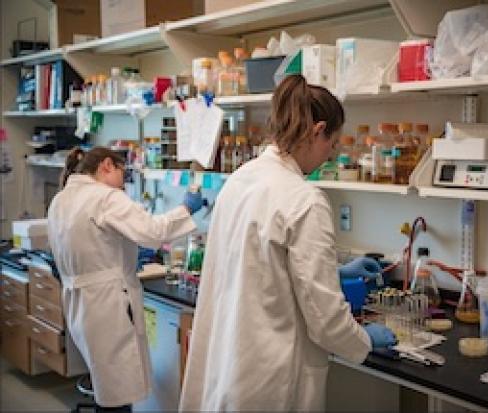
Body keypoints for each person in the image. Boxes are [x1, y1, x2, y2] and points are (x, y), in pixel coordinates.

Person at [179, 75, 397, 412]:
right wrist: (365, 340)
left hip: (230, 364)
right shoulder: (304, 199)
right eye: (332, 143)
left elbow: (259, 268)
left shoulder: (240, 180)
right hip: (271, 380)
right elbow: (326, 319)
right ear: (316, 131)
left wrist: (334, 272)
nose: (330, 154)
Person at [47, 147, 204, 411]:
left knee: (108, 387)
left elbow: (94, 243)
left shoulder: (61, 199)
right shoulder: (106, 197)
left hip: (82, 304)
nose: (125, 183)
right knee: (117, 394)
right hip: (109, 305)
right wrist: (187, 208)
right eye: (124, 173)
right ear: (107, 165)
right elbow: (155, 231)